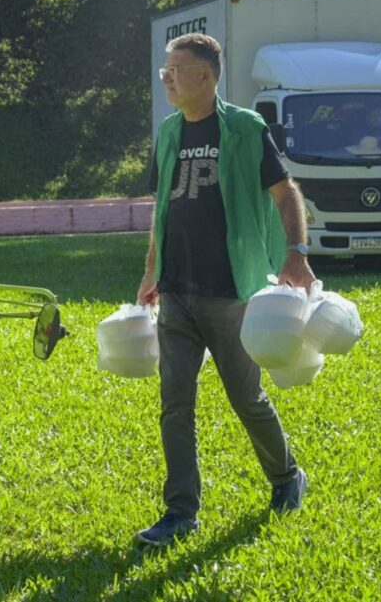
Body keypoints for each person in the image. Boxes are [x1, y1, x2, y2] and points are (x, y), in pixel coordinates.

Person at [135, 33, 314, 548]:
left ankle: (287, 477)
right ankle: (180, 513)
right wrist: (151, 271)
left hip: (231, 290)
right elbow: (163, 208)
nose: (166, 77)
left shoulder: (244, 128)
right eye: (166, 68)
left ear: (206, 76)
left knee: (246, 397)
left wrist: (296, 253)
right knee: (175, 404)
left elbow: (285, 191)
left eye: (176, 69)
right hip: (176, 290)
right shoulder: (169, 132)